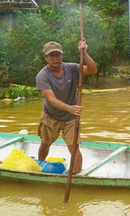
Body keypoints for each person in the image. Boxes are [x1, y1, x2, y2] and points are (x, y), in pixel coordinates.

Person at [36, 40, 97, 174]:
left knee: (74, 147)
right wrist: (70, 107)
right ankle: (40, 165)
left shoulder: (71, 68)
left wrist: (85, 53)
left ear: (62, 56)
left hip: (70, 118)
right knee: (45, 144)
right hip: (51, 116)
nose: (55, 58)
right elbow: (51, 99)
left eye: (58, 55)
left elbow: (92, 70)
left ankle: (77, 175)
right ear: (46, 58)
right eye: (51, 55)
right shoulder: (43, 75)